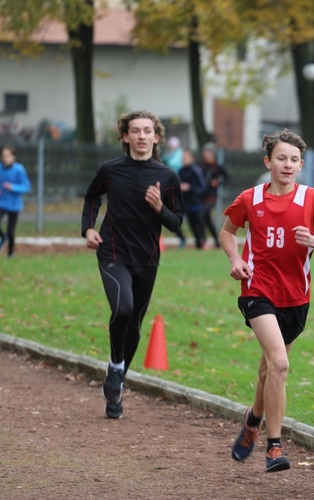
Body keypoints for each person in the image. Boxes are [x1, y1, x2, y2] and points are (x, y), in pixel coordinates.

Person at [220, 128, 314, 473]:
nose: (287, 164)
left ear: (301, 165)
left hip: (296, 298)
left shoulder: (312, 200)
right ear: (268, 161)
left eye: (293, 160)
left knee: (267, 370)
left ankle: (253, 418)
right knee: (279, 364)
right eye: (281, 158)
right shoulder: (250, 199)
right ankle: (275, 447)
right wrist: (235, 260)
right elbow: (227, 232)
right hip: (257, 291)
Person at [81, 109, 184, 419]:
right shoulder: (110, 170)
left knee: (136, 325)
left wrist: (158, 207)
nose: (141, 136)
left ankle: (117, 388)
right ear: (125, 136)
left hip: (147, 259)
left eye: (147, 130)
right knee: (122, 309)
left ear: (156, 136)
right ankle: (115, 366)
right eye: (135, 130)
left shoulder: (167, 177)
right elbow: (91, 198)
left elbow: (177, 222)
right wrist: (88, 228)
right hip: (112, 252)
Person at [0, 145, 31, 257]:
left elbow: (26, 186)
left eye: (7, 155)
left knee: (11, 231)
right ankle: (3, 237)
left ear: (14, 157)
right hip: (1, 202)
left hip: (14, 205)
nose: (5, 158)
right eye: (3, 155)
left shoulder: (19, 169)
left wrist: (13, 187)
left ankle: (10, 254)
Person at [200, 143, 229, 248]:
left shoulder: (217, 167)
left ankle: (203, 241)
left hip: (212, 196)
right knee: (207, 219)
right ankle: (216, 242)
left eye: (208, 151)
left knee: (203, 214)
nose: (206, 153)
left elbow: (227, 178)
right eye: (205, 151)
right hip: (202, 195)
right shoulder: (201, 166)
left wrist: (218, 182)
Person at [178, 149, 207, 249]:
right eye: (183, 157)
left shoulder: (196, 171)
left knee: (197, 224)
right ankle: (188, 241)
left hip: (195, 203)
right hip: (184, 202)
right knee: (184, 222)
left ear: (191, 158)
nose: (184, 159)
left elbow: (202, 188)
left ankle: (201, 243)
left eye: (186, 157)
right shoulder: (181, 171)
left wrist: (189, 187)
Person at [162, 136, 187, 248]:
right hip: (169, 187)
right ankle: (181, 238)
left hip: (178, 189)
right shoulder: (167, 157)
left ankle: (184, 239)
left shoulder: (179, 156)